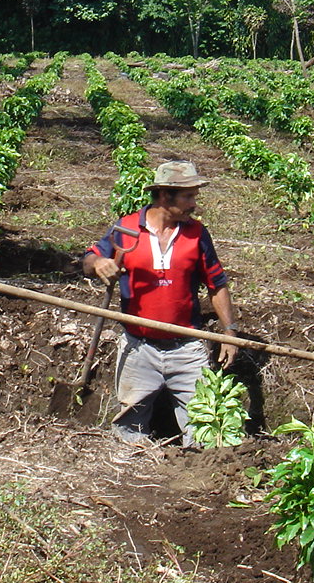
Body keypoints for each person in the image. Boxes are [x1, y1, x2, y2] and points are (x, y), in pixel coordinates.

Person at [83, 160, 236, 445]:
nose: (194, 204)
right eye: (188, 196)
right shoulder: (126, 229)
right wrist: (100, 263)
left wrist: (230, 332)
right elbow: (88, 260)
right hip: (138, 347)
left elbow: (217, 285)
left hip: (186, 347)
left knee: (207, 429)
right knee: (128, 431)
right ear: (165, 196)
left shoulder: (197, 234)